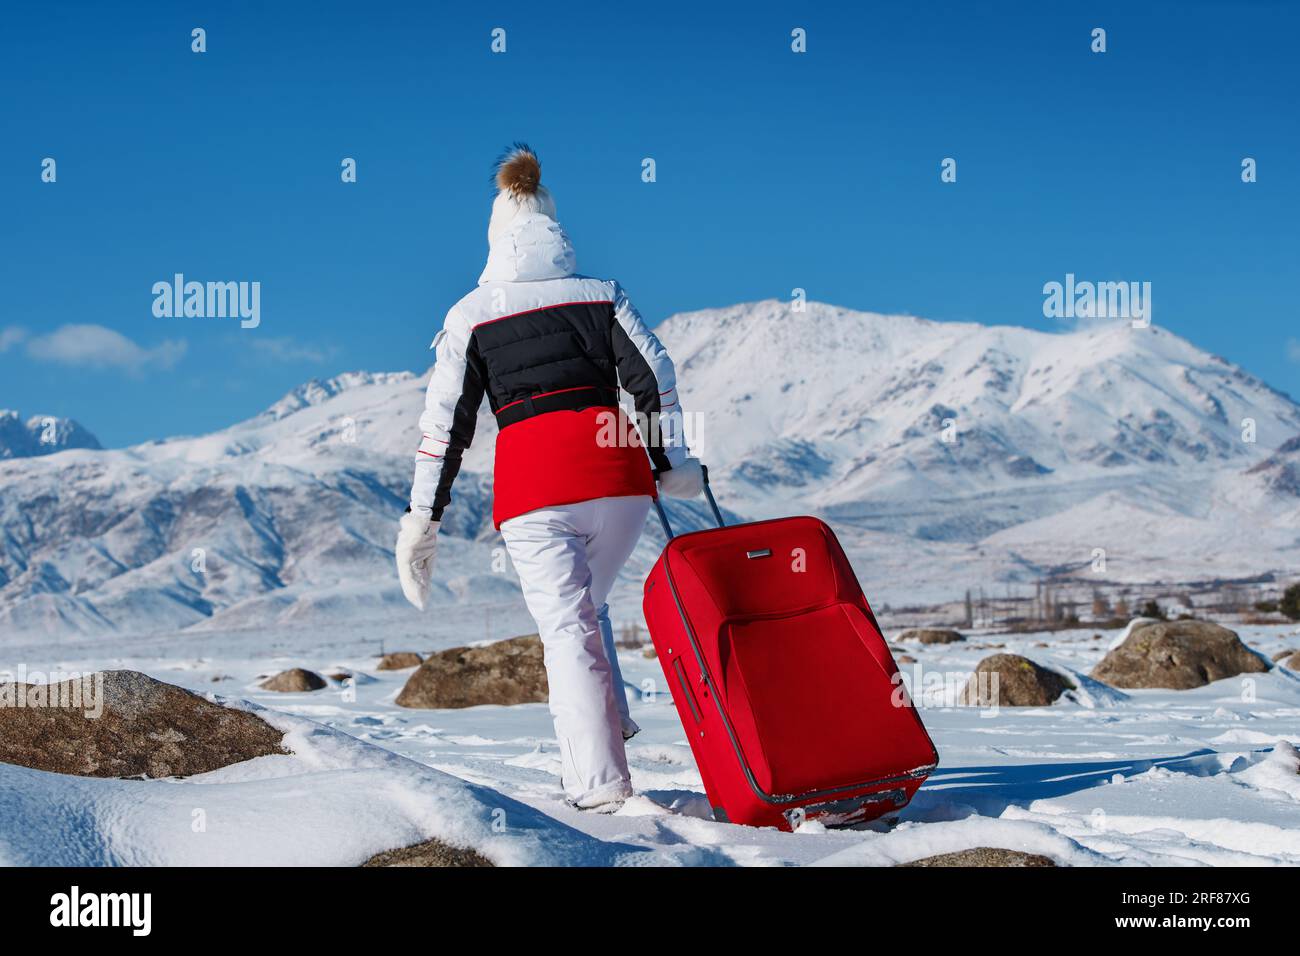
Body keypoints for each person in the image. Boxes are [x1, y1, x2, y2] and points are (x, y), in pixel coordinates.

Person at [394, 143, 703, 812]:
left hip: (536, 486)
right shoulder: (602, 294)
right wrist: (671, 464)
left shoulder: (470, 314)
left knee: (567, 629)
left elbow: (446, 427)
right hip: (620, 480)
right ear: (557, 231)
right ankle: (608, 722)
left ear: (496, 238)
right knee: (587, 609)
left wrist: (424, 520)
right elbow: (652, 375)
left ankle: (600, 786)